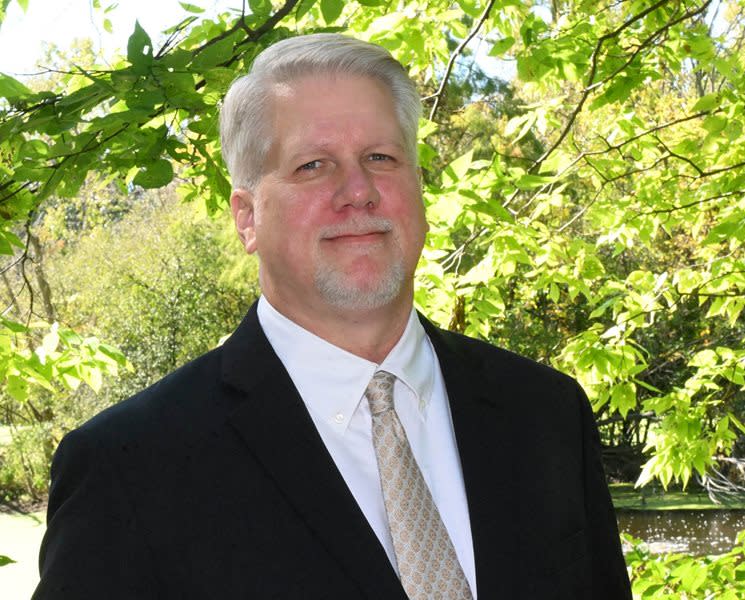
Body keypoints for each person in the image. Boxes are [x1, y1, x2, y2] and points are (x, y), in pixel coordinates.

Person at [33, 33, 632, 599]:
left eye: (380, 156)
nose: (359, 190)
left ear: (418, 187)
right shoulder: (130, 466)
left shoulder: (546, 413)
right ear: (247, 217)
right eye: (312, 165)